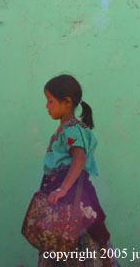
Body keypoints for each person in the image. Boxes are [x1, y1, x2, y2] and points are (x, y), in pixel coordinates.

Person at [37, 74, 117, 267]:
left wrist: (63, 189)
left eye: (50, 101)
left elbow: (79, 158)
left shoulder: (73, 129)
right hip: (62, 194)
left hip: (74, 196)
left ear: (67, 102)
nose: (47, 106)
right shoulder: (65, 129)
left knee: (83, 241)